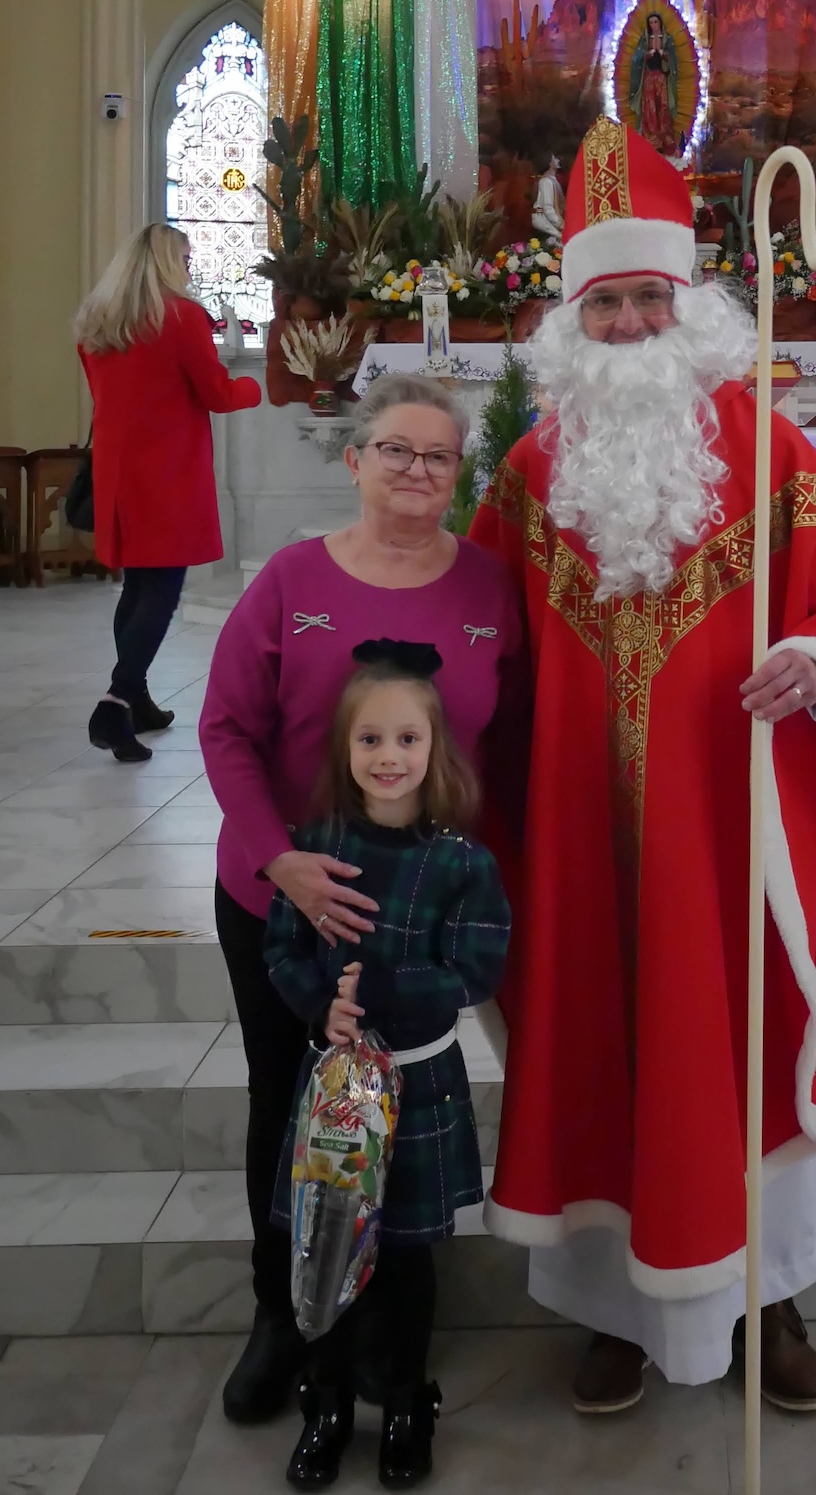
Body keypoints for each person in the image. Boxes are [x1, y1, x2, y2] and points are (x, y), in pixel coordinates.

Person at [469, 118, 816, 1416]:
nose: (627, 323)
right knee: (599, 1044)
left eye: (648, 297)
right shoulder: (529, 473)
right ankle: (619, 1311)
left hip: (726, 831)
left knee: (736, 1037)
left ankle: (769, 1294)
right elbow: (473, 634)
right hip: (580, 831)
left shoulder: (768, 450)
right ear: (570, 318)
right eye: (603, 303)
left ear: (688, 302)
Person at [199, 372, 524, 1429]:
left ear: (457, 472)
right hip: (281, 896)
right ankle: (282, 1313)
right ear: (354, 458)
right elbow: (225, 728)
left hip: (417, 911)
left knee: (400, 1113)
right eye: (395, 449)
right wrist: (279, 862)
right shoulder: (292, 579)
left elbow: (513, 738)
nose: (415, 470)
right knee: (287, 1102)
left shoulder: (489, 590)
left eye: (437, 456)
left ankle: (389, 1331)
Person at [266, 638, 510, 1489]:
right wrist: (319, 1003)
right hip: (335, 1091)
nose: (388, 756)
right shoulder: (316, 848)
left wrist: (383, 988)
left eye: (407, 738)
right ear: (344, 747)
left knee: (405, 1256)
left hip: (417, 1083)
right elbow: (281, 948)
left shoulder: (462, 864)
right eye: (369, 738)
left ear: (435, 748)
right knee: (323, 1244)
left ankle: (407, 1399)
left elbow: (476, 969)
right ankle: (327, 1400)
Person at [75, 223, 261, 763]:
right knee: (161, 589)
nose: (189, 267)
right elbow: (217, 393)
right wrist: (255, 386)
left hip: (118, 471)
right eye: (184, 258)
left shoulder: (98, 323)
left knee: (137, 586)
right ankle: (114, 704)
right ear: (165, 263)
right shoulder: (180, 316)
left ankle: (137, 699)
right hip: (167, 471)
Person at [627, 9, 680, 160]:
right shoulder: (644, 40)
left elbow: (674, 61)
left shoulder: (667, 39)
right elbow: (636, 58)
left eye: (656, 22)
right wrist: (646, 55)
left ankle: (664, 138)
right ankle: (650, 139)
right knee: (649, 107)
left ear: (660, 23)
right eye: (651, 22)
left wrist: (665, 55)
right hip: (649, 78)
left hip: (662, 78)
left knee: (663, 106)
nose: (653, 25)